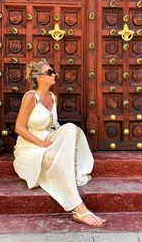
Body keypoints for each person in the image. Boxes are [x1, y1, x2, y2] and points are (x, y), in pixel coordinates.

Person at [13, 59, 106, 228]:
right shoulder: (30, 97)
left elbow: (55, 126)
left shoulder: (52, 97)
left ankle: (74, 169)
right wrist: (40, 143)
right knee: (56, 159)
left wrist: (61, 139)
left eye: (53, 71)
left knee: (71, 128)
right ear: (39, 77)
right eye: (49, 72)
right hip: (29, 147)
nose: (54, 74)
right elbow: (19, 128)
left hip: (48, 140)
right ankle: (79, 209)